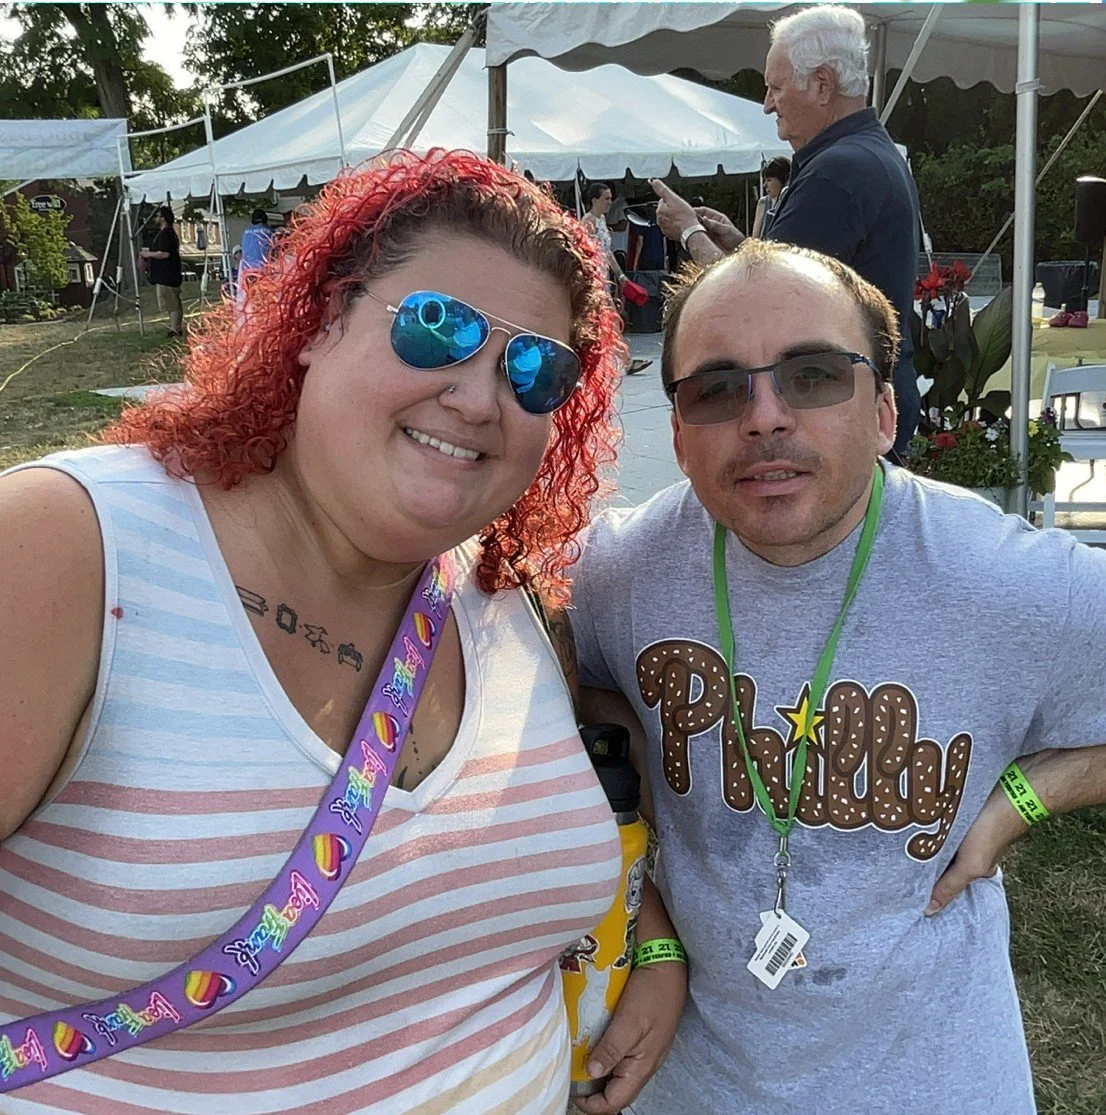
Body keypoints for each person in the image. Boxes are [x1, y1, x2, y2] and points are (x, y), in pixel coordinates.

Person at [0, 150, 684, 1112]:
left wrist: (652, 937)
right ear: (322, 319)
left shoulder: (505, 595)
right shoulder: (71, 548)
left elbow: (575, 811)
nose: (480, 395)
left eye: (535, 370)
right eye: (437, 327)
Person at [566, 239, 1106, 1114]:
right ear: (677, 429)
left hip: (931, 1084)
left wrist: (1039, 793)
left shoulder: (999, 582)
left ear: (886, 411)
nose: (765, 416)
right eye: (718, 387)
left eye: (813, 375)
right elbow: (513, 665)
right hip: (688, 1084)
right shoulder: (620, 571)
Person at [652, 5, 921, 458]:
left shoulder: (837, 172)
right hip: (856, 402)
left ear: (822, 85)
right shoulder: (868, 154)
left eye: (776, 87)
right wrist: (742, 244)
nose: (767, 103)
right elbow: (812, 268)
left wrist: (690, 232)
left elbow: (759, 299)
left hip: (835, 412)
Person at [139, 204, 183, 337]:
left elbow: (165, 254)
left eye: (158, 216)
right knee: (174, 302)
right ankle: (176, 327)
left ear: (163, 218)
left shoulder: (166, 234)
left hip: (166, 275)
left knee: (171, 303)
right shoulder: (169, 233)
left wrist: (148, 255)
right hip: (169, 274)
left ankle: (175, 330)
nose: (155, 219)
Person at [751, 155, 791, 238]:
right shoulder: (763, 203)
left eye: (769, 180)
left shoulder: (792, 201)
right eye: (764, 180)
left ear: (784, 180)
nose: (764, 185)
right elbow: (755, 239)